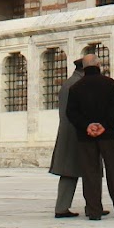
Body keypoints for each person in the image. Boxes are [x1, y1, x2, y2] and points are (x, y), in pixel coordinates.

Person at [66, 53, 114, 221]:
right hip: (108, 135)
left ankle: (94, 210)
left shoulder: (75, 88)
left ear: (83, 68)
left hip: (85, 136)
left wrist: (87, 126)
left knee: (90, 173)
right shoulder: (109, 83)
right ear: (98, 65)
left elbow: (71, 113)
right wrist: (103, 124)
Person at [48, 57, 86, 218]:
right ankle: (90, 205)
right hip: (76, 132)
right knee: (80, 170)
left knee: (70, 171)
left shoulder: (70, 83)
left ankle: (62, 206)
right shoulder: (76, 84)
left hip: (69, 131)